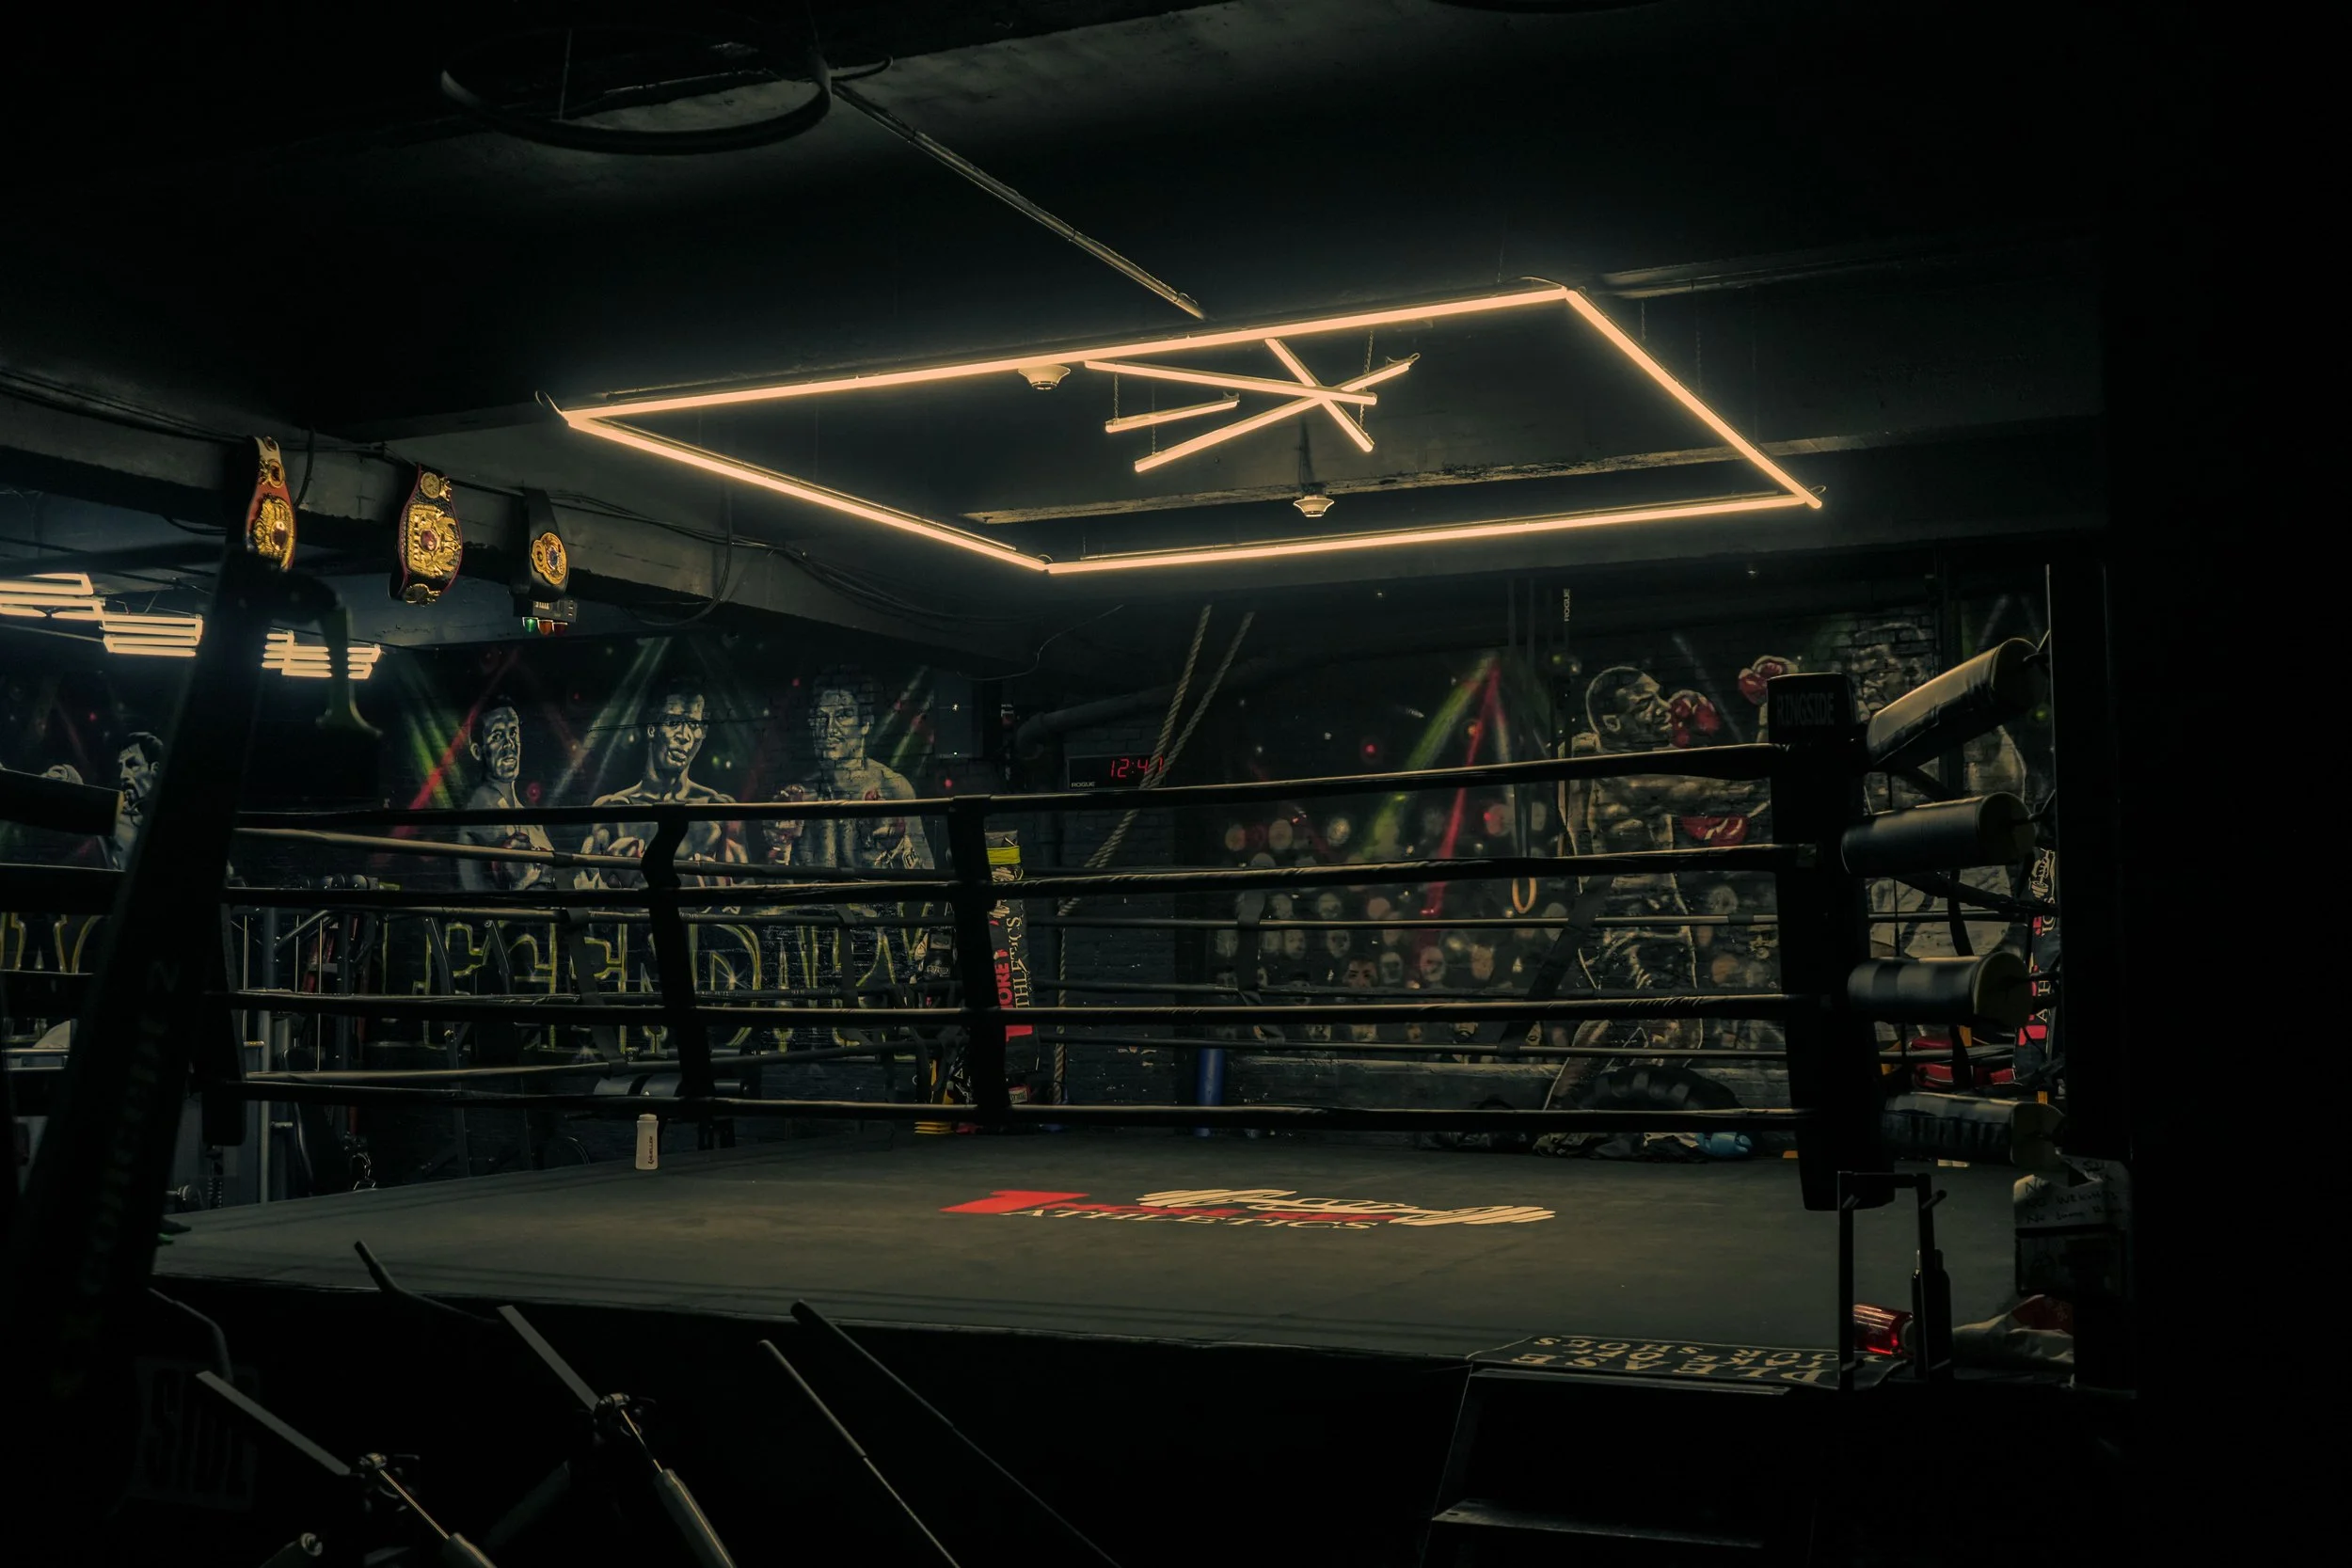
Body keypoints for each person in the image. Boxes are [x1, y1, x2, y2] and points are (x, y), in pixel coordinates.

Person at [575, 678, 744, 888]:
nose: (684, 736)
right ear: (652, 729)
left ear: (703, 733)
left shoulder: (719, 809)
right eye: (673, 723)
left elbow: (744, 893)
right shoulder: (612, 809)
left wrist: (710, 888)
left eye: (694, 724)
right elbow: (584, 889)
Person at [762, 673, 932, 873]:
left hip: (875, 903)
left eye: (842, 715)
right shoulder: (800, 797)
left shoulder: (892, 788)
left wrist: (899, 846)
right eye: (821, 717)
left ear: (865, 724)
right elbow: (777, 887)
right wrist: (781, 848)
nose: (829, 728)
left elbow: (929, 880)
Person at [457, 697, 553, 893]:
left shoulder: (531, 820)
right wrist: (524, 884)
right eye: (498, 736)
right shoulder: (479, 812)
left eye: (513, 733)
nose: (509, 744)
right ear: (478, 751)